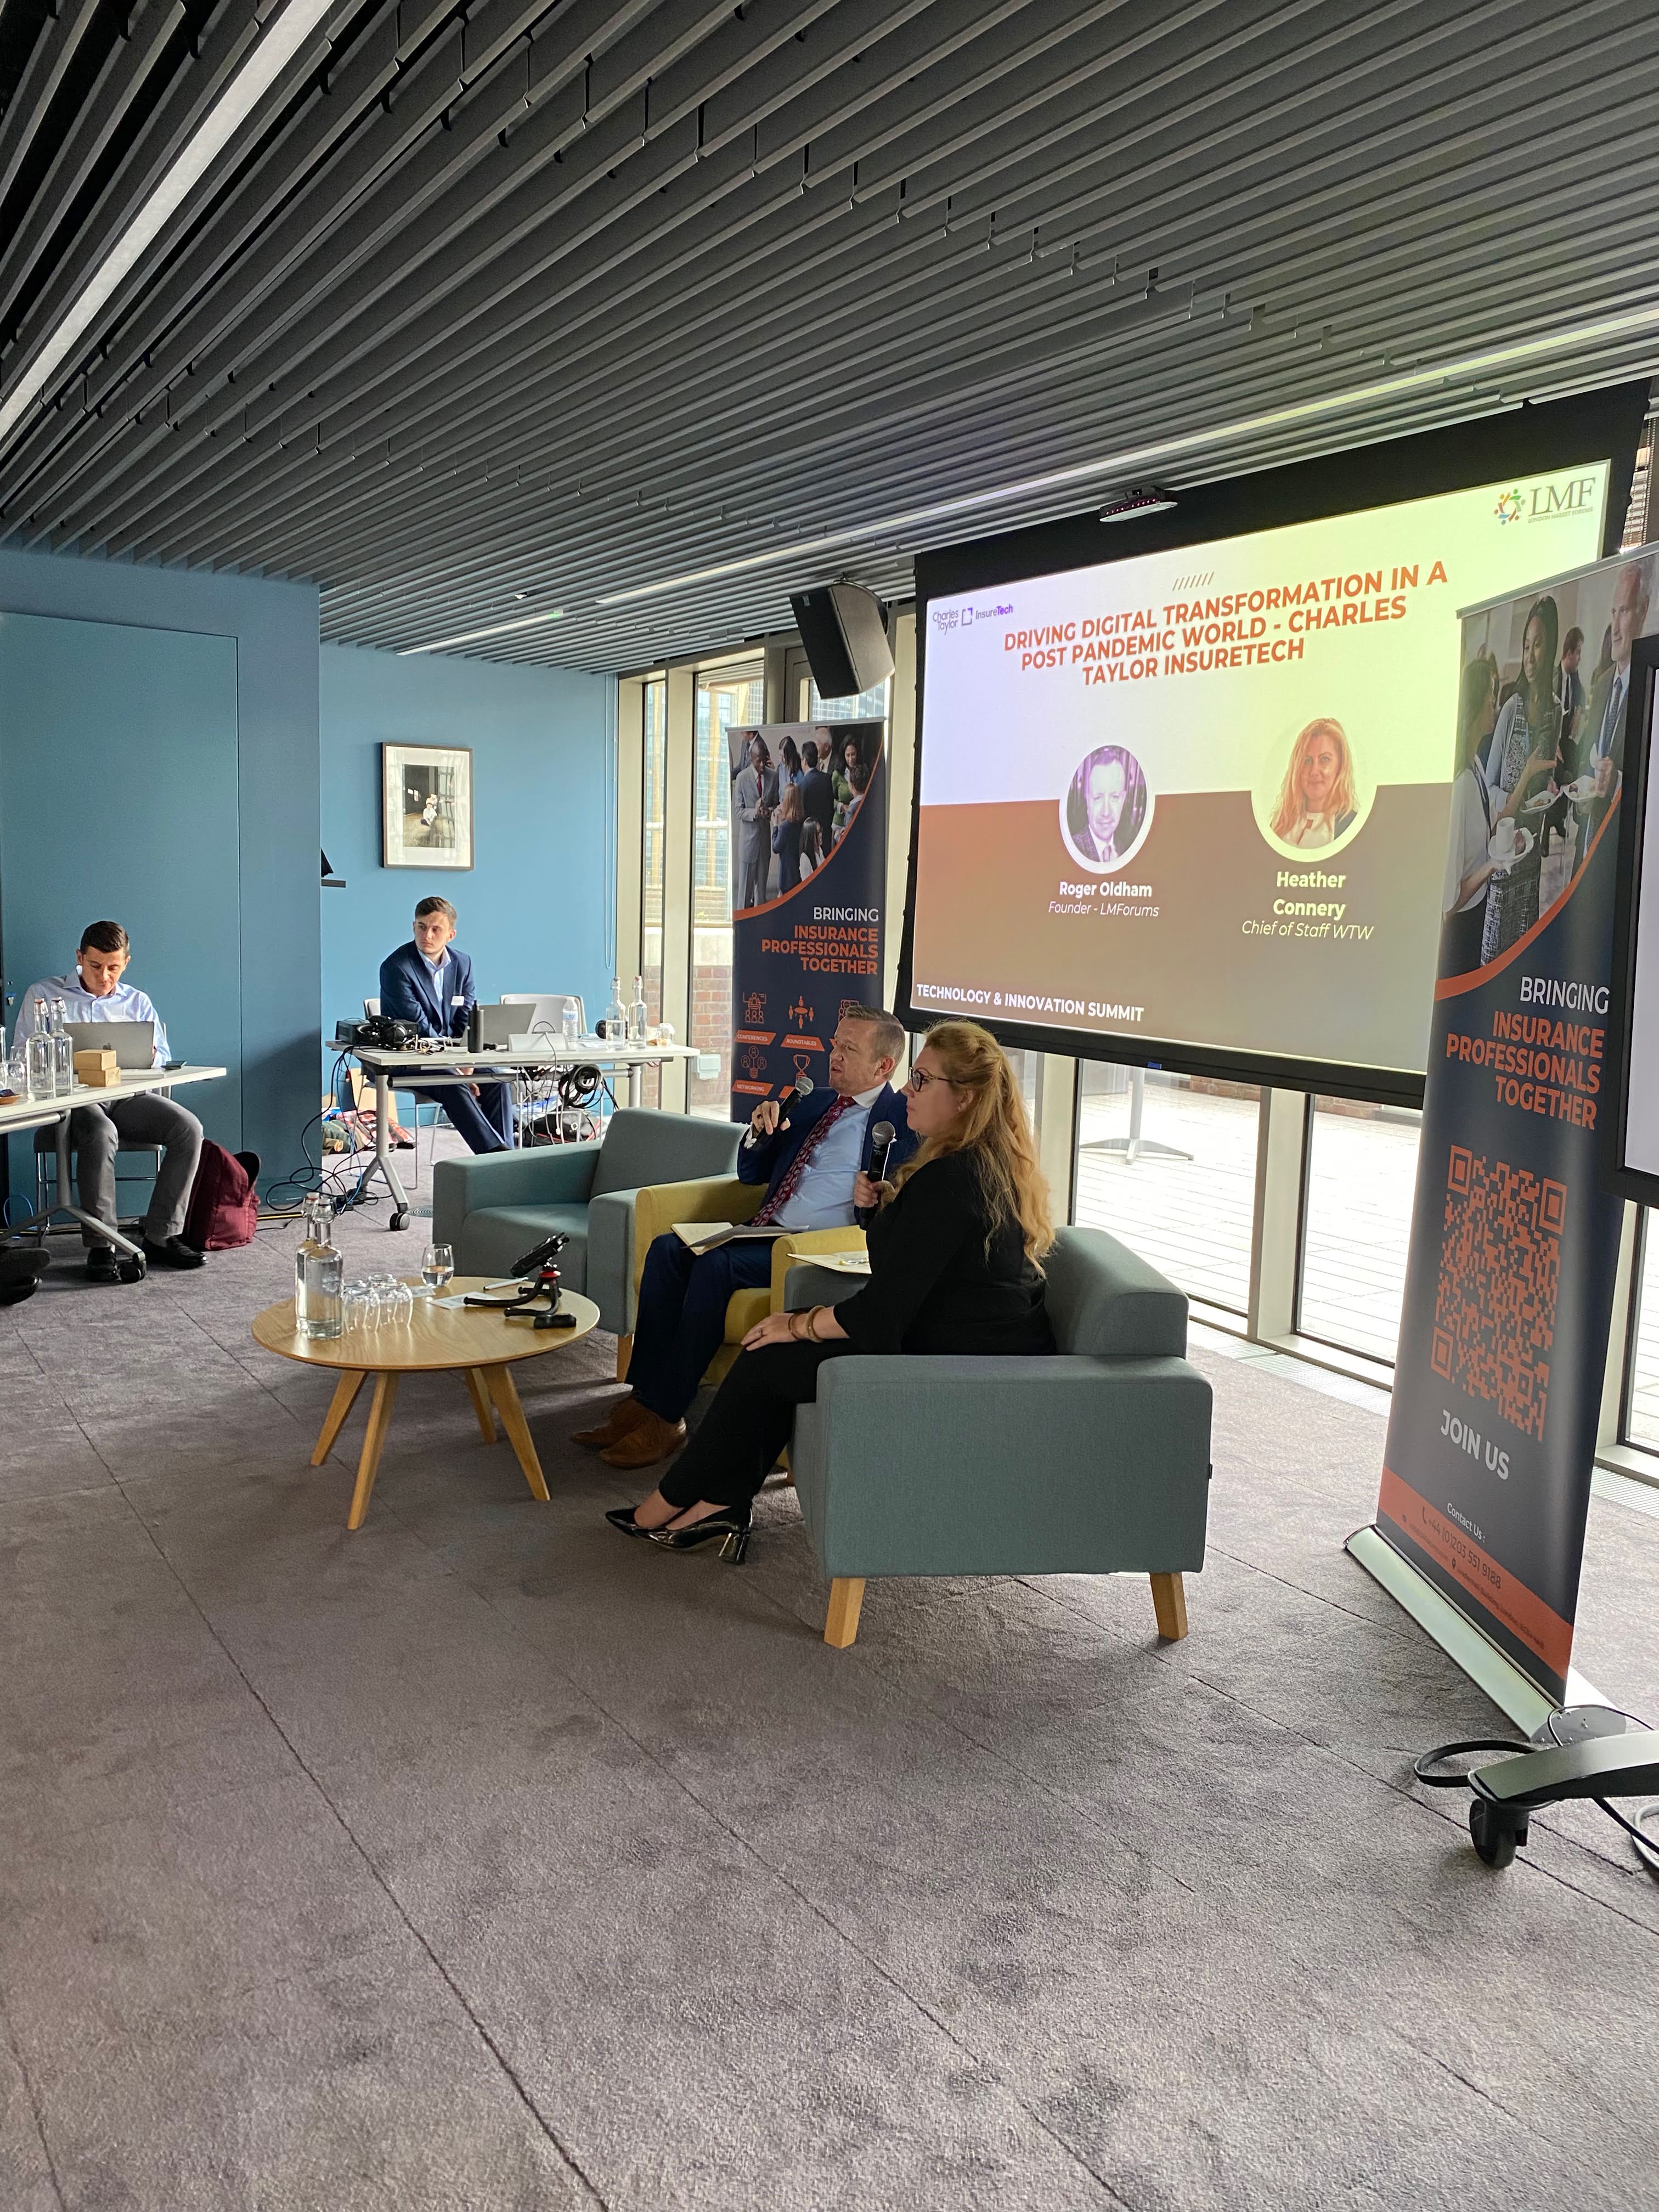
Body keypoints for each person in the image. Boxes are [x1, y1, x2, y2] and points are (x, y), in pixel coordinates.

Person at [605, 1019, 1056, 1555]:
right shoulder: (973, 1164)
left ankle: (676, 1501)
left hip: (961, 1358)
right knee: (762, 1346)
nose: (909, 1089)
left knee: (769, 1351)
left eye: (922, 1080)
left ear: (966, 1098)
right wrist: (880, 1212)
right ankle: (713, 1499)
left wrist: (798, 1324)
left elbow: (881, 1314)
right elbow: (906, 1268)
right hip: (952, 1334)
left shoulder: (950, 1179)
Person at [573, 1005, 915, 1471]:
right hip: (767, 1229)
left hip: (815, 1250)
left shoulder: (901, 1123)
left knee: (717, 1266)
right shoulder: (813, 1102)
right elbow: (752, 1174)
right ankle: (644, 1399)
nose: (834, 1055)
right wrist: (758, 1134)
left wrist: (877, 1197)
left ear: (883, 1066)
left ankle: (666, 1417)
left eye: (849, 1049)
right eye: (835, 1043)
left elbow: (899, 1208)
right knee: (668, 1249)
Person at [15, 921, 205, 1281]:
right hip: (73, 1104)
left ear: (126, 963)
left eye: (114, 968)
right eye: (95, 966)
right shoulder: (44, 995)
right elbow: (23, 1056)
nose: (104, 976)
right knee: (102, 1133)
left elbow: (163, 1058)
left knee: (188, 1129)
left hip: (126, 1097)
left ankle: (161, 1235)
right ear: (79, 958)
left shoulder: (137, 1001)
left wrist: (148, 1054)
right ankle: (102, 1246)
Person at [378, 896, 514, 1153]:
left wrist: (469, 1062)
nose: (426, 935)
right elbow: (418, 1027)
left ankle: (507, 1158)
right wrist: (456, 1068)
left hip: (453, 1057)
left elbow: (466, 1019)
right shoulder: (397, 967)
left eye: (436, 929)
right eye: (421, 927)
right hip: (411, 1058)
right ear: (414, 927)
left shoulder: (463, 963)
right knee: (453, 1084)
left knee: (498, 1080)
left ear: (451, 934)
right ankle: (496, 1158)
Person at [1480, 595, 1560, 963]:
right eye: (1526, 646)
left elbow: (1547, 775)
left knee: (1522, 956)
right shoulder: (1512, 708)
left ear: (1551, 647)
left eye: (1537, 646)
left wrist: (1551, 788)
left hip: (1532, 856)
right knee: (1495, 958)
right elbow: (1489, 786)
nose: (1529, 657)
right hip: (1505, 856)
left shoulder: (1556, 710)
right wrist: (1515, 795)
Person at [1573, 557, 1652, 863]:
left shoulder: (1651, 689)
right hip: (1586, 853)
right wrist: (1581, 796)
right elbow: (1588, 755)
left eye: (1625, 611)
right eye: (1614, 612)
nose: (1615, 629)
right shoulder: (1604, 683)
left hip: (1622, 859)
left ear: (1643, 611)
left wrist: (1617, 782)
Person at [1441, 657, 1502, 974]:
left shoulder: (1477, 766)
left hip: (1476, 914)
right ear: (1477, 707)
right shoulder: (1462, 784)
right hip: (1460, 930)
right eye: (1491, 697)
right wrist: (1492, 866)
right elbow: (1449, 904)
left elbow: (1489, 826)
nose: (1495, 705)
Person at [1269, 719, 1358, 848]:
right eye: (1307, 761)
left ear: (1341, 766)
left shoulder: (1351, 826)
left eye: (1324, 759)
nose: (1314, 771)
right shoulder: (1280, 822)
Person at [733, 733, 777, 909]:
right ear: (752, 759)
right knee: (745, 892)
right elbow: (738, 810)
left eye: (764, 761)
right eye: (758, 761)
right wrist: (755, 812)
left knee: (761, 895)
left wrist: (768, 812)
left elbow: (777, 805)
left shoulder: (773, 777)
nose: (762, 765)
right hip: (748, 844)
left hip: (764, 843)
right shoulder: (742, 778)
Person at [798, 740, 835, 868]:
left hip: (808, 840)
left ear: (804, 760)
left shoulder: (802, 785)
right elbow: (831, 808)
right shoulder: (827, 779)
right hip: (825, 835)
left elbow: (801, 815)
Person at [771, 780, 805, 892]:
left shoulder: (785, 827)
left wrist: (775, 826)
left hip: (787, 876)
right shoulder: (802, 822)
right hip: (799, 873)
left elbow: (776, 848)